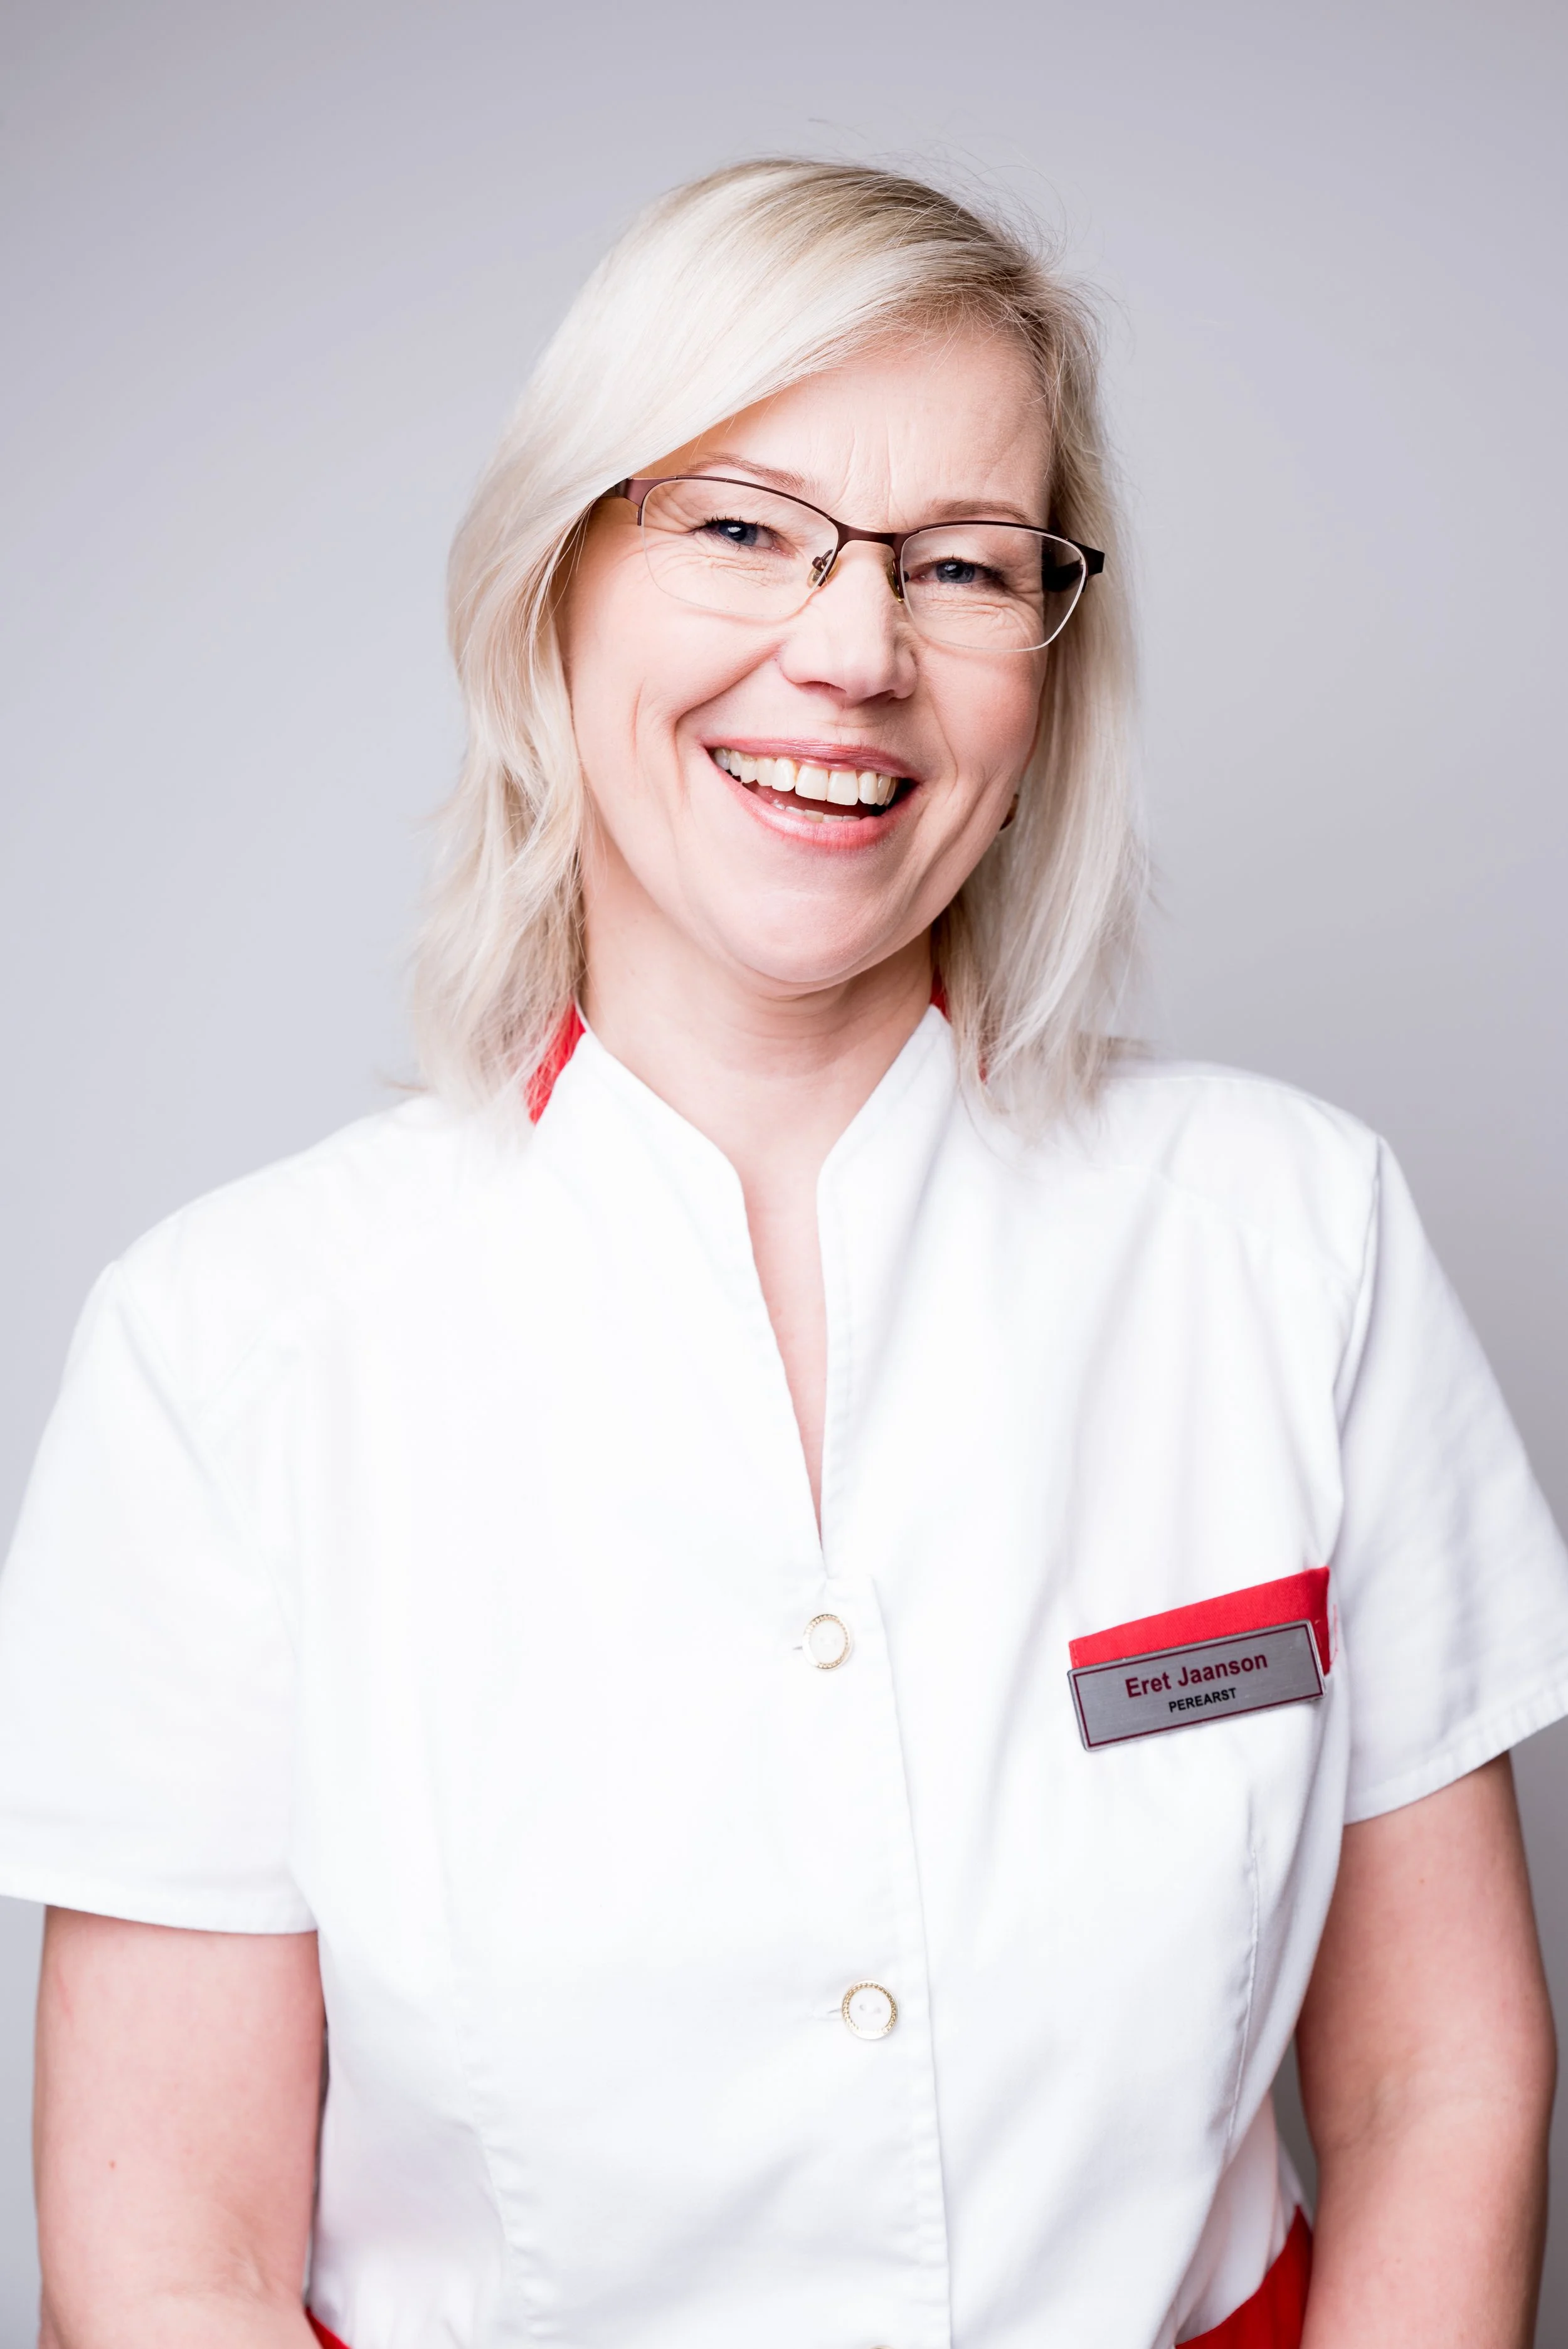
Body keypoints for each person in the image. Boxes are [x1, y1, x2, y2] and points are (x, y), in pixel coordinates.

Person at [0, 157, 1564, 2349]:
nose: (852, 654)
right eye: (742, 529)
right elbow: (173, 2256)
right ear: (553, 586)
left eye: (962, 566)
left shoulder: (1294, 1244)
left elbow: (1431, 2086)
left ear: (1047, 666)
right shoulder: (231, 1350)